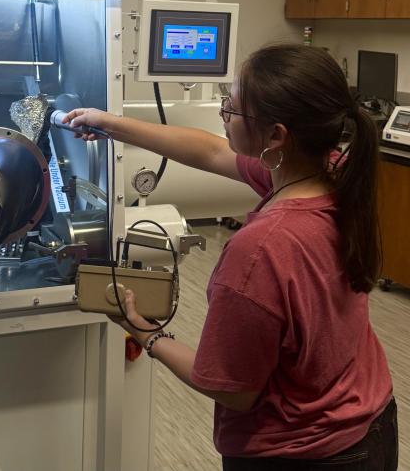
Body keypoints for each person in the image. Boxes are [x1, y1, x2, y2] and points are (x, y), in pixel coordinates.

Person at [64, 44, 398, 470]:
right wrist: (111, 124)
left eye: (232, 108)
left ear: (276, 135)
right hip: (370, 422)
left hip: (302, 453)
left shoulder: (259, 250)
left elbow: (234, 390)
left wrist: (145, 333)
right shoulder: (331, 174)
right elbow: (211, 151)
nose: (223, 113)